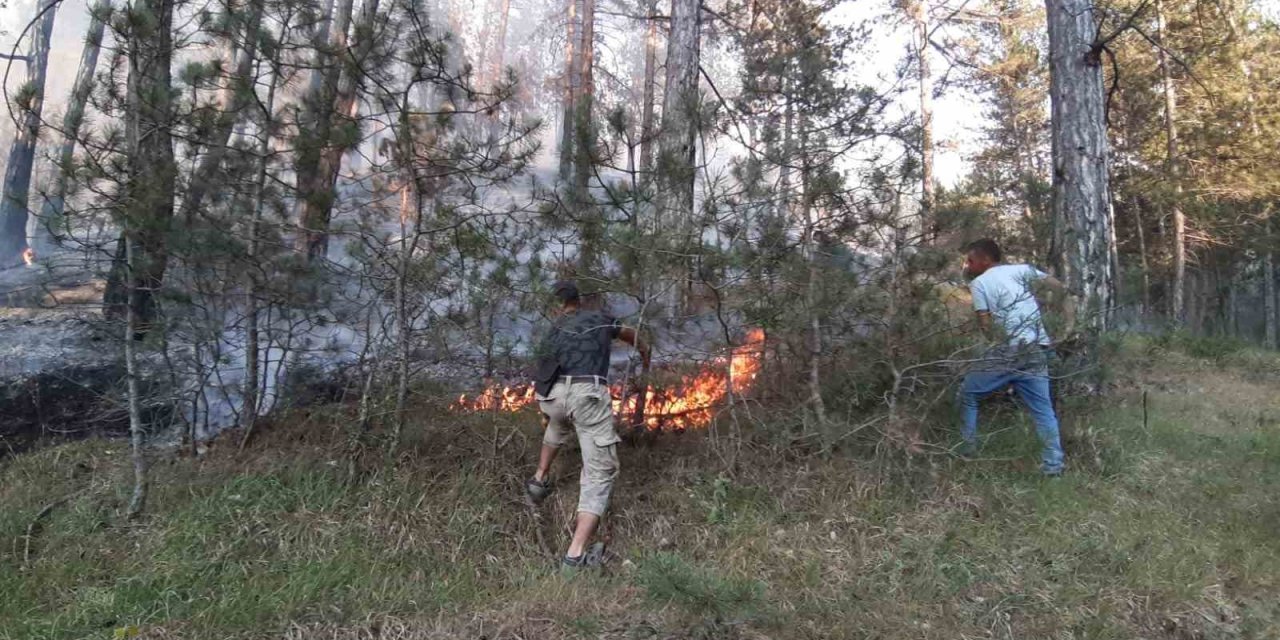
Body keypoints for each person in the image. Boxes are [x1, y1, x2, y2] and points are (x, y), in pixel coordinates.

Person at [524, 280, 651, 568]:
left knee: (558, 423)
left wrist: (545, 405)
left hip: (551, 395)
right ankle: (575, 555)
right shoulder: (598, 318)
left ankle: (538, 480)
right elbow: (629, 333)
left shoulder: (554, 327)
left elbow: (543, 365)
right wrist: (644, 349)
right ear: (578, 301)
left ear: (558, 306)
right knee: (599, 471)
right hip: (586, 394)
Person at [960, 239, 1076, 477]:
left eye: (970, 260)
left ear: (985, 260)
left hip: (1007, 350)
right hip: (1035, 348)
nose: (967, 265)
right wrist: (1067, 327)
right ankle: (1053, 467)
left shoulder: (980, 283)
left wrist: (990, 347)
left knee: (967, 395)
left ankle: (965, 453)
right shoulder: (1021, 270)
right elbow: (1060, 289)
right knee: (1043, 410)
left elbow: (985, 324)